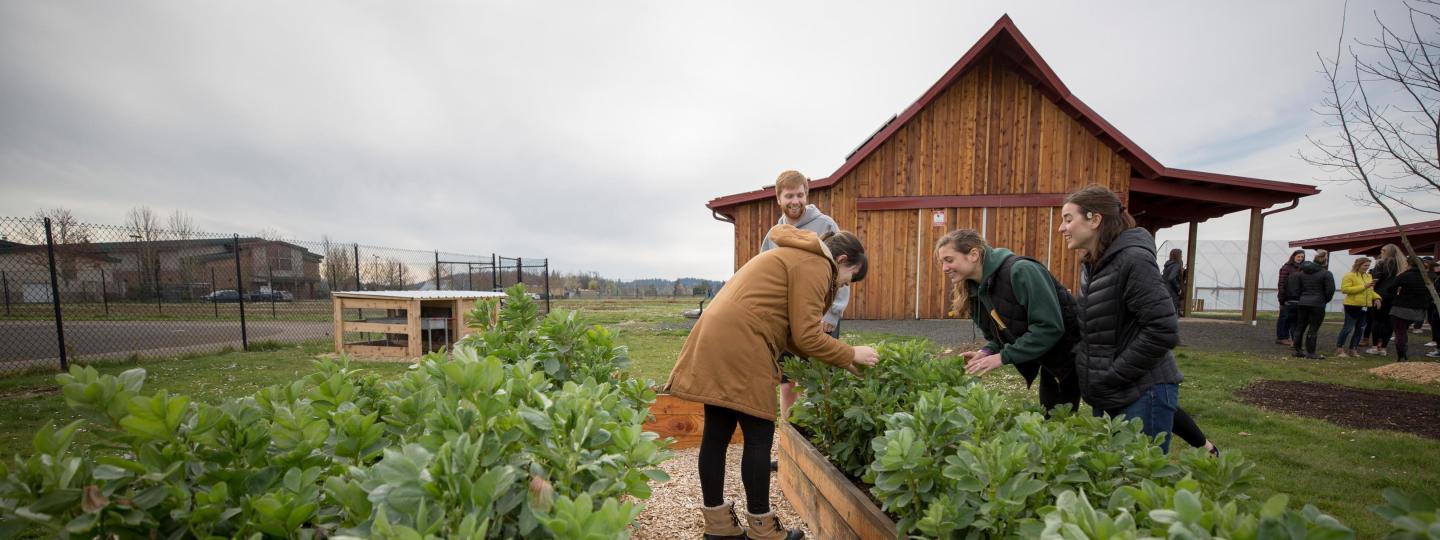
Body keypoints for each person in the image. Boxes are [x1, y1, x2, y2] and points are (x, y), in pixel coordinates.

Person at [665, 224, 877, 540]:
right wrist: (851, 352)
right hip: (744, 341)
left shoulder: (794, 255)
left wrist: (844, 359)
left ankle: (718, 526)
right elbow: (807, 336)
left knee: (718, 430)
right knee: (760, 433)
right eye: (848, 278)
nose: (844, 285)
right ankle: (764, 530)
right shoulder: (819, 264)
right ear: (842, 259)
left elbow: (792, 334)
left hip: (717, 333)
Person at [938, 228, 1219, 455]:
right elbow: (998, 334)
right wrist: (987, 350)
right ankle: (1057, 472)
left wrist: (1002, 357)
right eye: (941, 261)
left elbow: (1050, 328)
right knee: (1053, 421)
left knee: (1129, 407)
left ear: (973, 254)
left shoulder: (1020, 271)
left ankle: (1205, 447)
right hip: (1052, 363)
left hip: (1079, 353)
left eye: (948, 259)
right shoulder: (974, 290)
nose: (944, 267)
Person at [1057, 185, 1184, 453]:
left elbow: (1163, 329)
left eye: (1068, 219)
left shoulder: (1133, 260)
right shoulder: (1092, 264)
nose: (1062, 228)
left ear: (1094, 219)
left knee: (1139, 484)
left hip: (1143, 391)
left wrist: (1112, 374)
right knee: (1117, 481)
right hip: (1115, 392)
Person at [759, 170, 848, 426]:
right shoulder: (774, 234)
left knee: (821, 381)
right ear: (779, 198)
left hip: (822, 316)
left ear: (806, 195)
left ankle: (818, 440)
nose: (795, 200)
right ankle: (789, 441)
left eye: (799, 194)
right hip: (787, 320)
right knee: (788, 384)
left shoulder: (826, 225)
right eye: (789, 196)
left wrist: (833, 312)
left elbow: (841, 270)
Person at [1286, 249, 1336, 359]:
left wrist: (1302, 297)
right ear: (1325, 261)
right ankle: (1311, 352)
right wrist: (1324, 300)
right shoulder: (1326, 273)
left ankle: (1298, 350)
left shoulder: (1301, 273)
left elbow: (1295, 288)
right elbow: (1330, 290)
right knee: (1313, 328)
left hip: (1303, 302)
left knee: (1300, 327)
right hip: (1318, 304)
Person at [1381, 254, 1429, 362]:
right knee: (1403, 331)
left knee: (1400, 332)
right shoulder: (1426, 276)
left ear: (1408, 264)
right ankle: (1403, 353)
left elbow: (1390, 289)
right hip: (1419, 310)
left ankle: (1401, 355)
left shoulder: (1404, 276)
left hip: (1401, 308)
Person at [1336, 257, 1377, 358]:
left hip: (1365, 306)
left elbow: (1370, 291)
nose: (1366, 268)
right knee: (1348, 328)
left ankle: (1353, 349)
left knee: (1360, 329)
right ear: (1358, 265)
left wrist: (1377, 298)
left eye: (1368, 266)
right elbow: (1345, 289)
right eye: (1365, 265)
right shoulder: (1349, 276)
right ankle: (1339, 348)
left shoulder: (1369, 276)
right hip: (1352, 306)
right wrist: (1364, 286)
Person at [1367, 244, 1402, 356]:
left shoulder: (1381, 263)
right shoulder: (1401, 265)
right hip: (1394, 296)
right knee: (1388, 322)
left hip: (1380, 295)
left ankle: (1374, 346)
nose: (1381, 252)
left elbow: (1375, 280)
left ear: (1386, 252)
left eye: (1383, 251)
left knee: (1377, 321)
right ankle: (1383, 348)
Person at [1276, 250, 1306, 346]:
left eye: (1302, 257)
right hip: (1287, 297)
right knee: (1284, 318)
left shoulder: (1303, 268)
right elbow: (1281, 284)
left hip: (1298, 298)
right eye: (1298, 256)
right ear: (1293, 256)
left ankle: (1293, 339)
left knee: (1295, 320)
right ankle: (1282, 337)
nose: (1300, 259)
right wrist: (1282, 299)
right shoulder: (1286, 268)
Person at [1163, 248, 1186, 317]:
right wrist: (1178, 288)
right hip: (1172, 291)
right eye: (1181, 255)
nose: (1181, 257)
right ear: (1178, 256)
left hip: (1165, 290)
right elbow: (1171, 278)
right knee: (1173, 311)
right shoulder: (1176, 265)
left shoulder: (1167, 265)